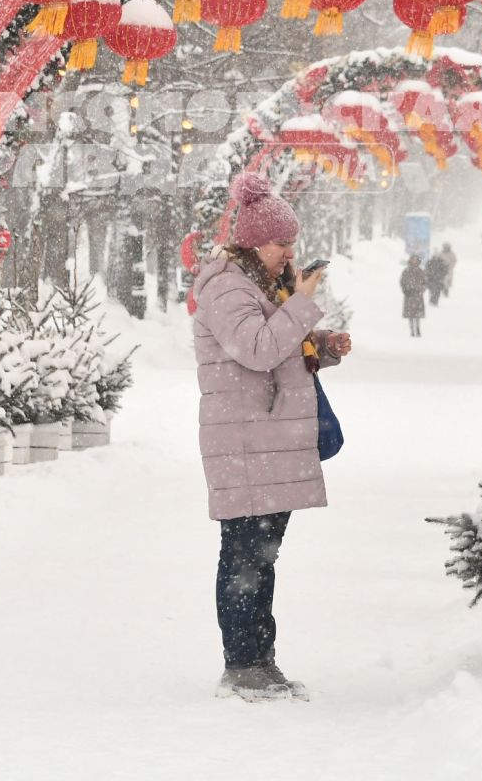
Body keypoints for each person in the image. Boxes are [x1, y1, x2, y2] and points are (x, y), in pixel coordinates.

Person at [191, 172, 351, 703]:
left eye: (291, 243)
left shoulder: (260, 286)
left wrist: (322, 346)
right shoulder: (224, 286)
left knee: (262, 558)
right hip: (245, 445)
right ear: (255, 241)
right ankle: (241, 666)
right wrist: (303, 304)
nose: (290, 253)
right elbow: (256, 348)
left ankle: (262, 661)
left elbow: (277, 348)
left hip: (266, 442)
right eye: (282, 243)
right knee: (243, 559)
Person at [400, 254, 427, 337]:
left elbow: (425, 282)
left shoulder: (420, 271)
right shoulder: (406, 271)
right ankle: (412, 329)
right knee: (410, 314)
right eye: (413, 260)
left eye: (416, 260)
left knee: (417, 314)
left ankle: (418, 328)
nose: (414, 262)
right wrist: (405, 290)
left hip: (417, 295)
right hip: (409, 295)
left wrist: (421, 289)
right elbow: (402, 281)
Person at [426, 242, 455, 307]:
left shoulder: (450, 255)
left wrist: (448, 268)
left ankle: (444, 293)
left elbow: (453, 261)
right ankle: (432, 300)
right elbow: (427, 269)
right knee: (432, 289)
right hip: (432, 278)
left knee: (443, 286)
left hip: (442, 275)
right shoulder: (431, 261)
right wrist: (428, 275)